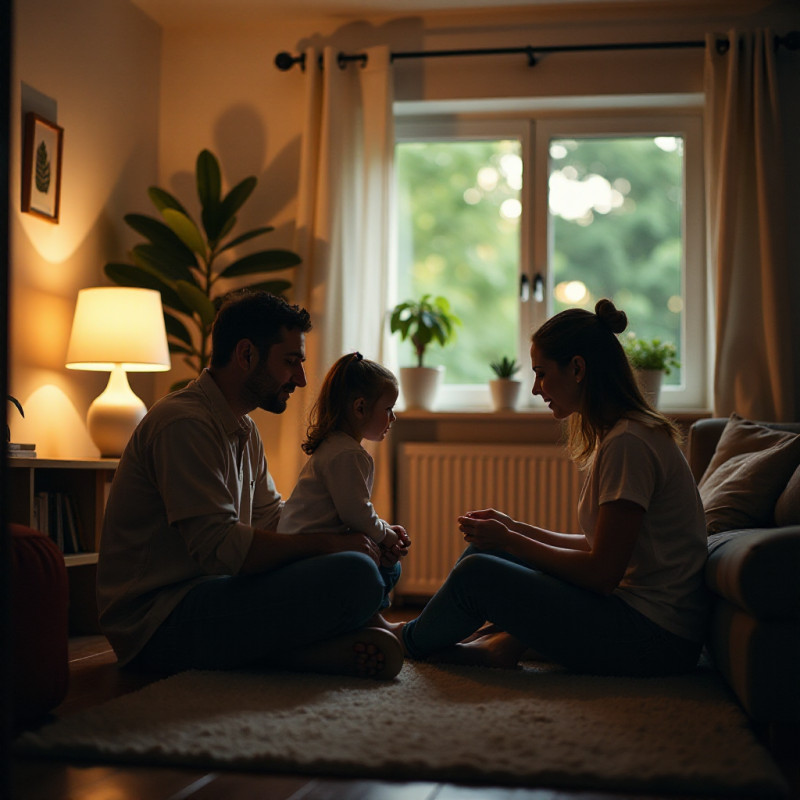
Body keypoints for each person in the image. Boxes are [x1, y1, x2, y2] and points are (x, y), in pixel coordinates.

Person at [96, 290, 404, 680]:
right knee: (356, 576)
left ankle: (298, 651)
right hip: (160, 621)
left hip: (221, 591)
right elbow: (220, 548)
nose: (302, 378)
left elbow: (274, 520)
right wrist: (331, 545)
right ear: (246, 355)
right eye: (291, 362)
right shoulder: (184, 424)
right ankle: (297, 654)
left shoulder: (243, 428)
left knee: (376, 566)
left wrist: (360, 538)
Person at [397, 298, 708, 677]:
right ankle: (488, 644)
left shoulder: (630, 443)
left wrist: (510, 540)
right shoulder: (623, 435)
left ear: (577, 368)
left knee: (478, 574)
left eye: (541, 373)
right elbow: (599, 548)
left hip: (654, 639)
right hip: (637, 620)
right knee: (486, 549)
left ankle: (407, 642)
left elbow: (600, 573)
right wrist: (512, 529)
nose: (534, 388)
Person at [278, 352, 410, 625]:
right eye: (388, 409)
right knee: (388, 568)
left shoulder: (337, 447)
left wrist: (383, 531)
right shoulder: (348, 455)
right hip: (309, 556)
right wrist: (385, 535)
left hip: (312, 551)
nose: (393, 418)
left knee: (388, 565)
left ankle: (362, 617)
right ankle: (367, 621)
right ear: (360, 408)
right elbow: (356, 514)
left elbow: (351, 512)